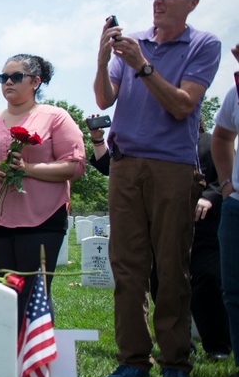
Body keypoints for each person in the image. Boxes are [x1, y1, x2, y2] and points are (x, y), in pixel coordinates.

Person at [93, 0, 221, 377]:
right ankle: (132, 359)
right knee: (126, 266)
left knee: (171, 266)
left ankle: (175, 362)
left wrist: (142, 67)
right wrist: (102, 56)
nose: (158, 1)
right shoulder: (134, 44)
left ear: (192, 3)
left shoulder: (204, 44)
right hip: (125, 165)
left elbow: (183, 105)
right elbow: (103, 99)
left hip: (173, 167)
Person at [88, 114, 231, 360]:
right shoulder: (152, 148)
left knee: (207, 281)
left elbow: (223, 179)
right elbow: (114, 169)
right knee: (162, 283)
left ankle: (217, 345)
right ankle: (181, 342)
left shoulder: (208, 142)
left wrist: (209, 196)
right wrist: (98, 140)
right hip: (160, 231)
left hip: (202, 232)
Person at [0, 54, 85, 315]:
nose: (8, 82)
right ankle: (10, 353)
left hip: (41, 219)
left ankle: (37, 356)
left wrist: (27, 169)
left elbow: (75, 165)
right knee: (6, 293)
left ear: (36, 82)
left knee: (35, 294)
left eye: (16, 77)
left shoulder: (56, 117)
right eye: (3, 78)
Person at [212, 43, 239, 377]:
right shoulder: (235, 91)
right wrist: (227, 185)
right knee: (234, 292)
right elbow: (221, 138)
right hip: (236, 205)